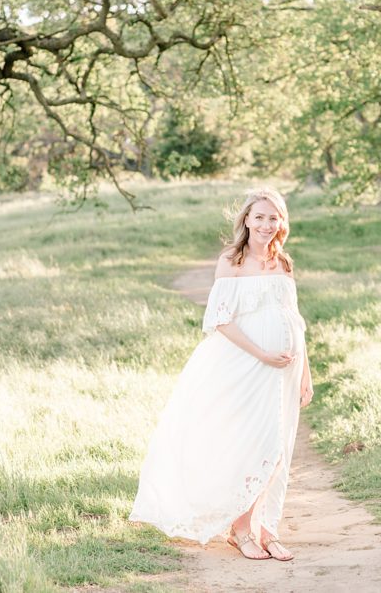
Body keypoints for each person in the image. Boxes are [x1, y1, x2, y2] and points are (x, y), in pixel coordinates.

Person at [129, 187, 314, 562]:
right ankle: (241, 531)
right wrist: (262, 353)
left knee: (279, 449)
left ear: (282, 223)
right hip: (247, 365)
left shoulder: (283, 262)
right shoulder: (232, 260)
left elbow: (295, 319)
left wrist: (305, 370)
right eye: (259, 217)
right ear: (246, 219)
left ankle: (265, 527)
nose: (266, 224)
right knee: (255, 444)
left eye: (273, 218)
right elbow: (220, 320)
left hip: (286, 370)